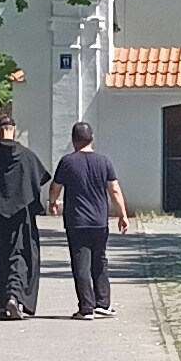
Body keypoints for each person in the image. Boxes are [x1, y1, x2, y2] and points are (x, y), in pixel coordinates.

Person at [48, 118, 130, 318]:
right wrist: (122, 215)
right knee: (100, 260)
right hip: (99, 221)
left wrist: (52, 202)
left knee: (81, 263)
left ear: (74, 140)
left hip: (77, 221)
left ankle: (86, 307)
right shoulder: (104, 162)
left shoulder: (67, 162)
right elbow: (115, 190)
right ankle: (103, 303)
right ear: (91, 139)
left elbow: (55, 187)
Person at [0, 111, 47, 318]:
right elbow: (38, 181)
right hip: (20, 215)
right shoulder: (27, 156)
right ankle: (14, 297)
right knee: (20, 255)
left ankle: (3, 301)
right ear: (15, 131)